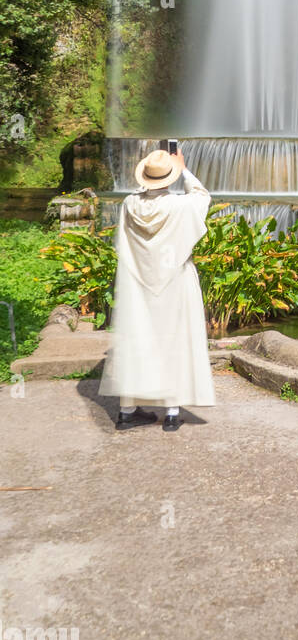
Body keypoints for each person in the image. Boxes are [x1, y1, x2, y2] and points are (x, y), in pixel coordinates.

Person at [99, 147, 215, 431]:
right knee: (173, 340)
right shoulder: (180, 206)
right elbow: (203, 196)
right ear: (169, 178)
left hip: (137, 283)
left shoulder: (129, 203)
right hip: (174, 282)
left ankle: (127, 411)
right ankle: (172, 413)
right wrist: (183, 168)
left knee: (136, 339)